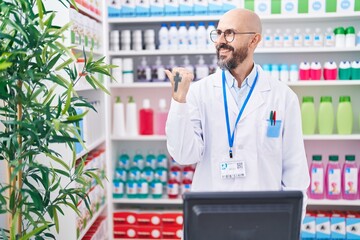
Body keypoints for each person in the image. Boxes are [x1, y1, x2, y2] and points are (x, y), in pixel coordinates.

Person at [164, 8, 310, 215]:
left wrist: (292, 224)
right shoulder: (197, 92)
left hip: (265, 214)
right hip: (211, 213)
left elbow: (295, 168)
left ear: (254, 40)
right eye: (218, 33)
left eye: (229, 33)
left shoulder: (283, 97)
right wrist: (179, 101)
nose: (220, 41)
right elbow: (184, 155)